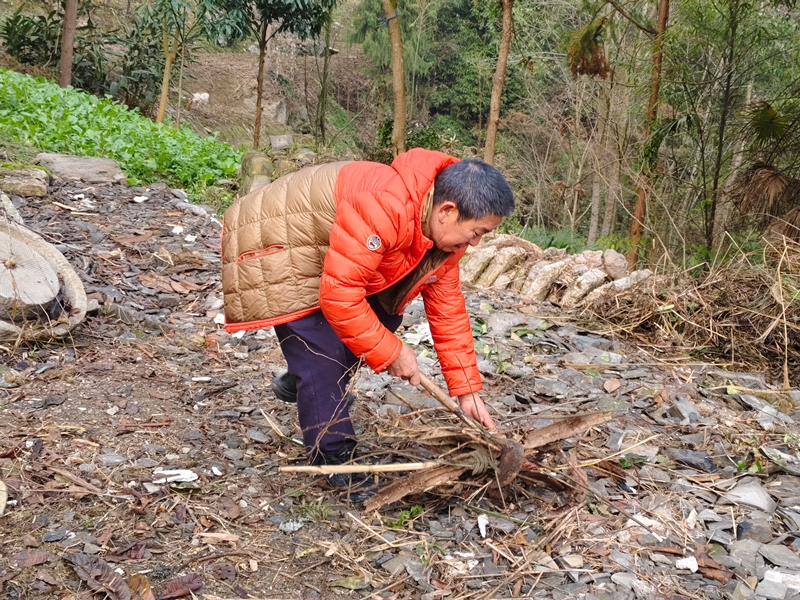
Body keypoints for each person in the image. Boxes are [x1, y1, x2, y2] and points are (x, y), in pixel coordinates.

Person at [221, 148, 514, 494]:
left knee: (384, 319)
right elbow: (340, 298)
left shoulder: (444, 234)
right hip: (278, 240)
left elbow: (447, 307)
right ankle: (334, 461)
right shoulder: (385, 206)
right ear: (447, 211)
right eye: (477, 231)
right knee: (322, 354)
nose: (476, 242)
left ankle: (307, 386)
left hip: (332, 247)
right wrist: (392, 354)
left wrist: (466, 390)